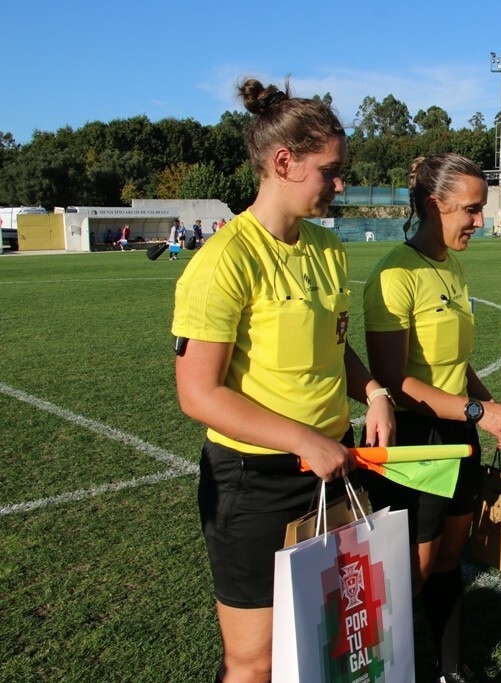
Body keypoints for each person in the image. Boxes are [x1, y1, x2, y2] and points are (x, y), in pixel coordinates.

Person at [172, 78, 396, 683]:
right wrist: (302, 439)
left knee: (326, 640)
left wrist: (373, 392)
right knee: (255, 660)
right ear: (283, 162)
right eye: (330, 171)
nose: (340, 185)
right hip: (255, 482)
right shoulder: (225, 260)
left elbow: (333, 347)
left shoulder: (327, 247)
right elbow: (198, 393)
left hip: (330, 468)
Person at [362, 152, 501, 683]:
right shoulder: (394, 274)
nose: (480, 220)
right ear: (435, 205)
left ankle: (452, 667)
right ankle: (391, 668)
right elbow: (394, 381)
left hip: (460, 432)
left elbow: (456, 364)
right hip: (416, 442)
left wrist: (491, 407)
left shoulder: (452, 266)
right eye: (471, 209)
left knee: (449, 558)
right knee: (411, 572)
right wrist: (480, 411)